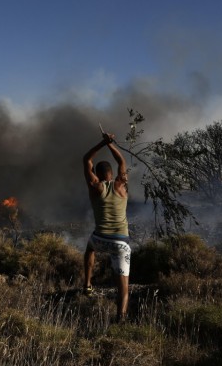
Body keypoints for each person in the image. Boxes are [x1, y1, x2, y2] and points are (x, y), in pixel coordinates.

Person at [83, 131, 130, 322]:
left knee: (89, 249)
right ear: (111, 174)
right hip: (121, 244)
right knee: (124, 289)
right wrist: (111, 144)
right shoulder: (121, 185)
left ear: (98, 174)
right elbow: (122, 162)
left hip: (100, 239)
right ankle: (121, 318)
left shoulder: (96, 187)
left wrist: (102, 143)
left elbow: (86, 159)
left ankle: (87, 285)